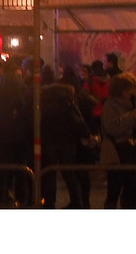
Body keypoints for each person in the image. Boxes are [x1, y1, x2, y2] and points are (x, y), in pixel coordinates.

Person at [37, 73, 93, 208]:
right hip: (67, 143)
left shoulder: (44, 104)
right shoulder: (68, 104)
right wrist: (86, 134)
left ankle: (49, 202)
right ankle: (76, 201)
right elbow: (78, 122)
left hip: (49, 142)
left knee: (49, 174)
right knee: (69, 173)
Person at [0, 58, 31, 205]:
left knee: (1, 169)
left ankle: (1, 198)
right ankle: (22, 198)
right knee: (20, 168)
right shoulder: (21, 85)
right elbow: (26, 108)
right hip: (19, 133)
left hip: (1, 132)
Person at [100, 72, 136, 209]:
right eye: (130, 89)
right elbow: (112, 127)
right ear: (122, 91)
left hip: (129, 152)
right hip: (116, 153)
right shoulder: (110, 106)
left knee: (132, 189)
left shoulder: (130, 104)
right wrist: (132, 117)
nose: (133, 92)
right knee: (114, 189)